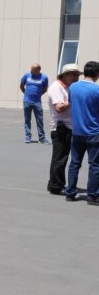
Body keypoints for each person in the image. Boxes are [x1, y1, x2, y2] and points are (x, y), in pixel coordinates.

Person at [64, 61, 99, 204]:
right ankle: (92, 196)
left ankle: (70, 193)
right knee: (95, 165)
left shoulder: (73, 87)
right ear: (97, 74)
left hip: (77, 131)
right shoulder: (96, 90)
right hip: (94, 132)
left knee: (74, 163)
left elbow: (72, 103)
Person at [47, 63, 81, 195]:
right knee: (60, 158)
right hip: (61, 127)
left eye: (77, 75)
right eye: (74, 74)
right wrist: (71, 99)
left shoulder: (68, 87)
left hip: (68, 126)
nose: (76, 77)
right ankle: (56, 185)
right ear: (65, 75)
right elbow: (59, 108)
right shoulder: (57, 87)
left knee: (61, 157)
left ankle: (54, 183)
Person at [20, 64, 50, 144]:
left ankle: (42, 138)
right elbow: (21, 86)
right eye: (31, 69)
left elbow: (45, 89)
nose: (31, 71)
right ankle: (28, 137)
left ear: (38, 70)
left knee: (39, 120)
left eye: (32, 70)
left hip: (37, 102)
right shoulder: (27, 75)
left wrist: (38, 95)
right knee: (27, 119)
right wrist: (26, 94)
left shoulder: (44, 77)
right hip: (27, 101)